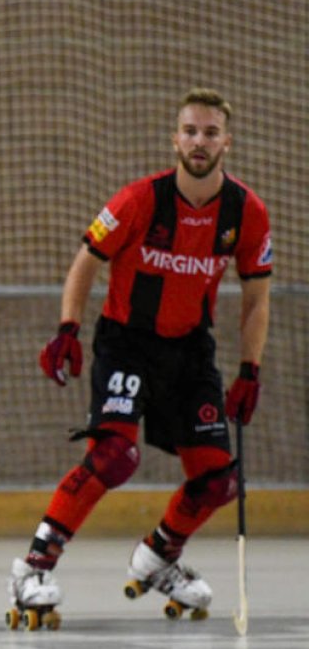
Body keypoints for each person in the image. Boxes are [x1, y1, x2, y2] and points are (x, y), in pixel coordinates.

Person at [14, 88, 272, 626]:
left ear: (227, 141)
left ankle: (158, 556)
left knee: (220, 480)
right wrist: (68, 329)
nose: (199, 141)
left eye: (210, 132)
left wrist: (251, 369)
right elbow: (87, 260)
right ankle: (34, 567)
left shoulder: (245, 212)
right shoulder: (139, 200)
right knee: (114, 457)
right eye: (190, 131)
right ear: (174, 138)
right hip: (127, 343)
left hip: (190, 351)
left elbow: (256, 297)